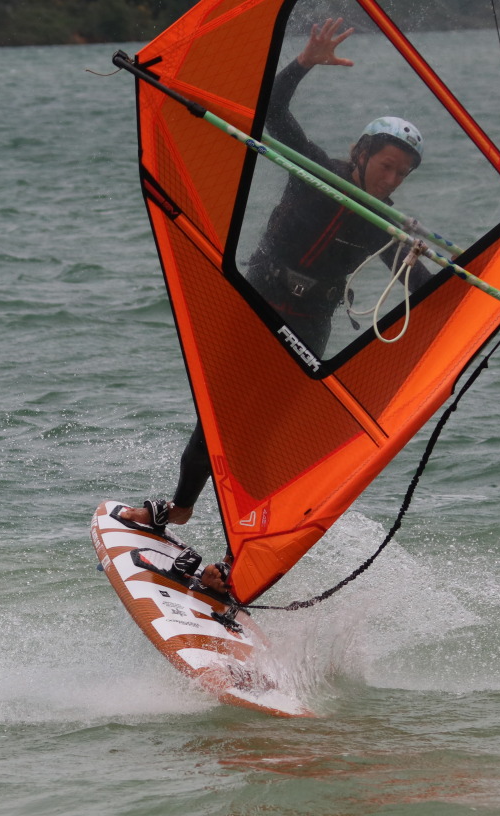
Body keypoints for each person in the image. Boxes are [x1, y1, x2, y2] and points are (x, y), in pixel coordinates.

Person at [117, 18, 428, 594]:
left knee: (262, 438)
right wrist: (305, 61)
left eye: (401, 175)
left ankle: (234, 563)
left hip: (309, 327)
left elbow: (423, 289)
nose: (391, 180)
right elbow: (271, 111)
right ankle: (177, 510)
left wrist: (464, 276)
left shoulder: (383, 223)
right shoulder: (314, 170)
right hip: (258, 300)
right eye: (386, 166)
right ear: (360, 153)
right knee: (218, 417)